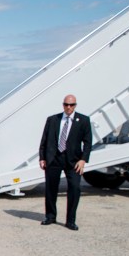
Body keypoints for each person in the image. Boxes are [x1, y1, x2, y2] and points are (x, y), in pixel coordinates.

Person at [38, 94, 92, 230]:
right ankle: (50, 216)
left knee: (75, 188)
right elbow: (44, 140)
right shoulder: (53, 120)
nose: (69, 107)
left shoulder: (84, 120)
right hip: (54, 159)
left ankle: (70, 220)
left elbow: (88, 143)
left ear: (75, 105)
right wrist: (42, 157)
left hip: (73, 161)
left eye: (71, 105)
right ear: (63, 105)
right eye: (66, 104)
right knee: (51, 189)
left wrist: (83, 160)